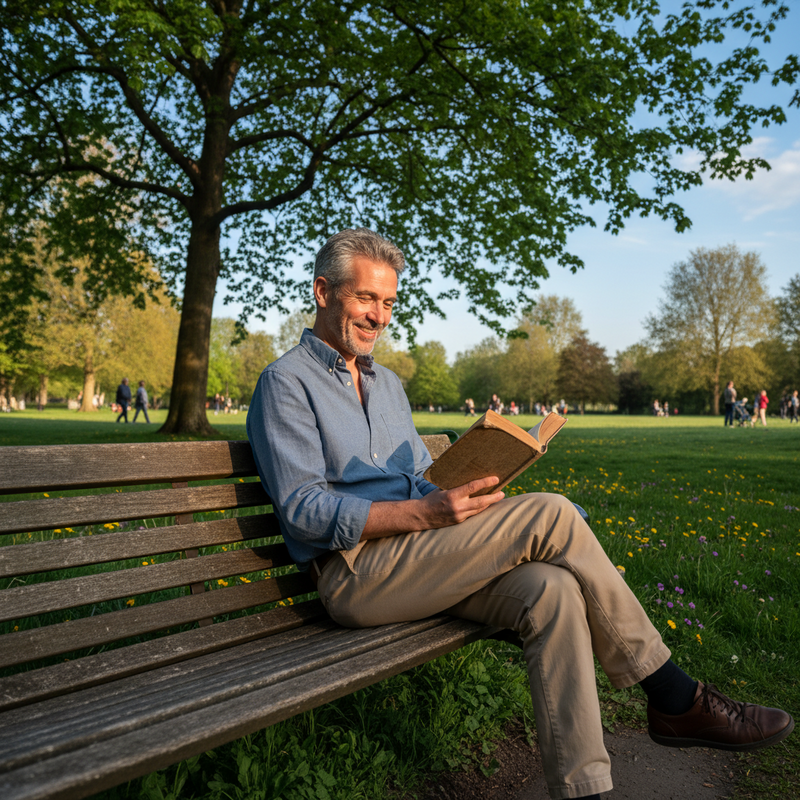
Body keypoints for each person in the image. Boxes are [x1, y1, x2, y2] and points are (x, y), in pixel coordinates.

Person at [246, 228, 793, 800]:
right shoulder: (285, 384)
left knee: (550, 591)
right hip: (355, 574)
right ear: (323, 292)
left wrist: (478, 486)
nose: (379, 317)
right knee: (554, 515)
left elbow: (415, 480)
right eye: (366, 299)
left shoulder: (390, 387)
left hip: (422, 560)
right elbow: (303, 511)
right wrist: (425, 514)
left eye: (389, 303)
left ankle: (584, 790)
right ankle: (676, 697)